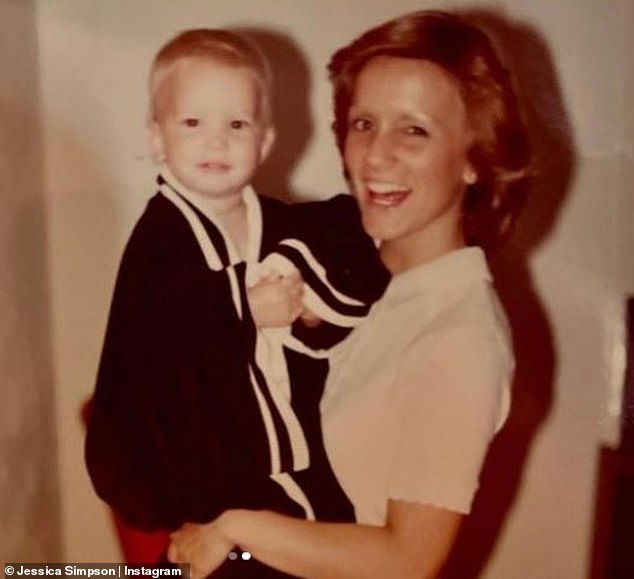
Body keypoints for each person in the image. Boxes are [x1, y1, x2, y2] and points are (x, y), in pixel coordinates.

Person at [168, 10, 531, 579]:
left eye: (414, 129)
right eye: (364, 123)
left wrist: (236, 527)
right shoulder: (344, 268)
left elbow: (408, 559)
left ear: (474, 158)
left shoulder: (462, 336)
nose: (375, 155)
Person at [84, 28, 389, 576]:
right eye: (193, 124)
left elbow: (349, 239)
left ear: (265, 141)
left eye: (237, 125)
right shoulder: (160, 238)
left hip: (291, 470)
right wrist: (244, 304)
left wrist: (311, 310)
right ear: (157, 136)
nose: (216, 142)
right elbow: (158, 326)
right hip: (207, 478)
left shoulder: (280, 224)